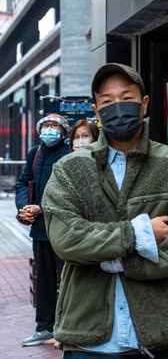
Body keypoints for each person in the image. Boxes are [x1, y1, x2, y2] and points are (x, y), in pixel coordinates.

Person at [42, 63, 168, 358]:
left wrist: (121, 264)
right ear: (96, 111)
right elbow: (66, 238)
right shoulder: (70, 168)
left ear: (144, 104)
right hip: (87, 339)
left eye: (127, 98)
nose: (117, 107)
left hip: (159, 336)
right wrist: (139, 233)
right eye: (107, 102)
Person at [15, 113, 70, 346]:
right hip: (40, 230)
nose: (49, 130)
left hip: (65, 229)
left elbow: (70, 193)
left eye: (54, 127)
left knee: (68, 280)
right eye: (45, 126)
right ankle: (44, 328)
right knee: (44, 281)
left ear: (65, 133)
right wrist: (23, 207)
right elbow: (22, 182)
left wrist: (42, 208)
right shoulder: (34, 154)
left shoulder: (70, 156)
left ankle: (68, 329)